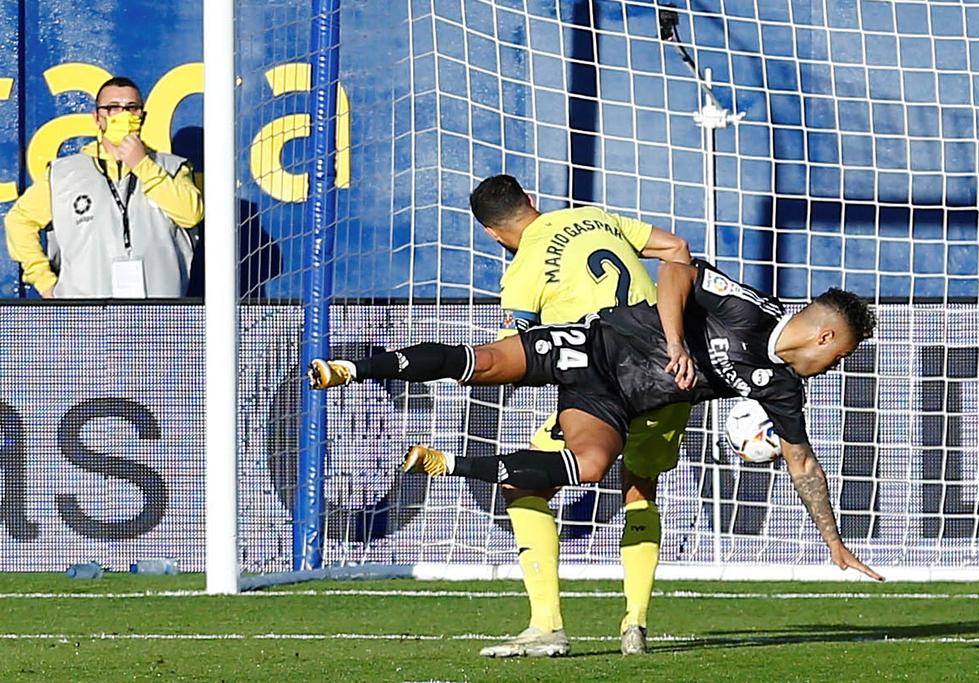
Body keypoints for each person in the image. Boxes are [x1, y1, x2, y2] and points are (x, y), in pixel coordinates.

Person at [309, 258, 885, 589]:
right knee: (480, 361)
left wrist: (833, 544)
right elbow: (677, 269)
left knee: (589, 467)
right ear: (826, 335)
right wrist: (679, 342)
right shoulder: (747, 310)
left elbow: (801, 462)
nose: (832, 368)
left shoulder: (783, 389)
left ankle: (444, 463)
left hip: (614, 401)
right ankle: (352, 368)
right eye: (839, 356)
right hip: (594, 344)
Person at [452, 175, 691, 657]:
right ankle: (635, 624)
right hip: (668, 372)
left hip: (605, 387)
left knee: (522, 484)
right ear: (532, 202)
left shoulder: (522, 272)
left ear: (491, 233)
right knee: (640, 485)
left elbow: (521, 348)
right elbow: (677, 249)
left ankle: (547, 625)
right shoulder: (595, 217)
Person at [4, 76, 203, 298]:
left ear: (142, 116)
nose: (123, 114)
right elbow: (19, 221)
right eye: (113, 108)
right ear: (98, 117)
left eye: (132, 108)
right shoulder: (64, 174)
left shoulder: (172, 167)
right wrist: (44, 281)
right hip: (85, 317)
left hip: (158, 317)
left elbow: (191, 214)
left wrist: (142, 165)